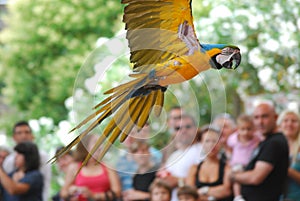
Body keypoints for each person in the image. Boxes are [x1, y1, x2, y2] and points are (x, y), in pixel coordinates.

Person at [230, 102, 289, 201]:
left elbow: (256, 177)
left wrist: (232, 176)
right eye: (256, 117)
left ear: (275, 117)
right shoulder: (265, 141)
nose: (260, 122)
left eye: (264, 117)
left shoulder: (274, 142)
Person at [60, 134, 121, 201]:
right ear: (85, 147)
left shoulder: (108, 167)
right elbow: (63, 193)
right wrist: (70, 193)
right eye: (96, 142)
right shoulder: (74, 167)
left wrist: (94, 196)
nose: (101, 146)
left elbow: (117, 193)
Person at [158, 114, 204, 201]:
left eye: (188, 126)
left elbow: (207, 180)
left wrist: (179, 181)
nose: (183, 130)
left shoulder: (202, 150)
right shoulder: (173, 156)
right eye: (178, 128)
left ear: (196, 129)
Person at [3, 121, 51, 201]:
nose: (24, 136)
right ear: (14, 137)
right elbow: (6, 184)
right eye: (19, 133)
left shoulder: (42, 157)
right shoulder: (9, 160)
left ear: (32, 136)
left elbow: (46, 183)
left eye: (27, 132)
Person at [186, 126, 233, 201]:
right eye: (207, 141)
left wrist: (203, 190)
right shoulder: (194, 168)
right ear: (201, 143)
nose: (211, 145)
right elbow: (190, 194)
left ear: (220, 143)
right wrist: (213, 195)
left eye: (215, 141)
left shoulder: (227, 167)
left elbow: (226, 191)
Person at [226, 114, 260, 201]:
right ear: (238, 129)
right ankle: (237, 196)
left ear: (254, 129)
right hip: (237, 164)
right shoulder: (233, 139)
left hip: (250, 164)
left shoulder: (256, 139)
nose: (245, 132)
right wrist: (230, 159)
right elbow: (229, 148)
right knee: (237, 177)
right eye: (242, 129)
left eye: (249, 129)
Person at [277, 110, 300, 200]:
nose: (289, 124)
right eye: (285, 120)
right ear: (280, 124)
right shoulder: (275, 146)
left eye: (294, 121)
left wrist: (287, 170)